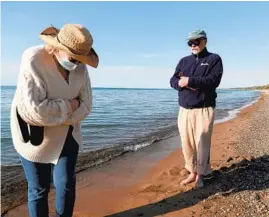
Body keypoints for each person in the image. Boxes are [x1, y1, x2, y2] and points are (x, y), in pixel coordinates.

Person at [10, 23, 99, 217]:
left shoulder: (81, 67)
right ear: (57, 48)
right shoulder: (33, 60)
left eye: (81, 59)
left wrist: (56, 112)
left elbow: (86, 106)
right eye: (73, 58)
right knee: (39, 188)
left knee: (66, 184)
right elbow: (35, 112)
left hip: (68, 133)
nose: (77, 64)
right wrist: (70, 106)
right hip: (34, 135)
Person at [170, 29, 223, 188]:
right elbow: (173, 79)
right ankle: (192, 172)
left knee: (202, 144)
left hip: (204, 109)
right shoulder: (184, 61)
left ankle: (201, 175)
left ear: (204, 41)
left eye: (196, 41)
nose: (193, 45)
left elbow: (213, 81)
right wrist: (178, 84)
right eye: (190, 43)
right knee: (187, 143)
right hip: (184, 110)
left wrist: (190, 81)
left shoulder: (214, 59)